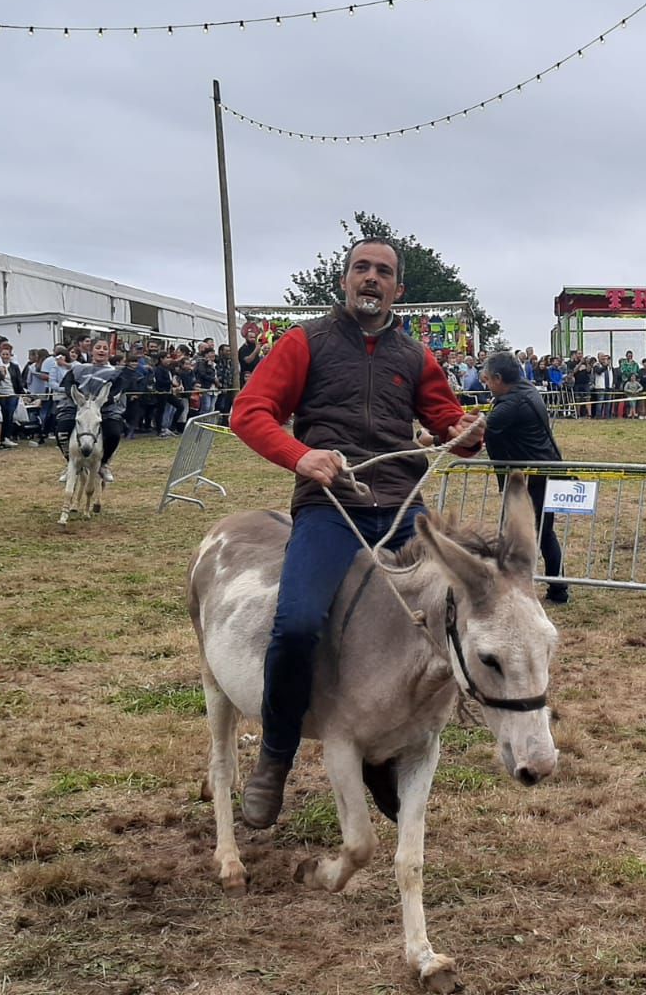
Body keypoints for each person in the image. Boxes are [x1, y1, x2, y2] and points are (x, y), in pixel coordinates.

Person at [229, 238, 483, 830]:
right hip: (328, 508)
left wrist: (465, 433)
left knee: (429, 632)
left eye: (384, 272)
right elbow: (250, 412)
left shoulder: (416, 356)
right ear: (345, 280)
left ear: (399, 288)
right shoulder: (304, 342)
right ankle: (276, 755)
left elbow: (447, 422)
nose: (371, 278)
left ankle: (384, 757)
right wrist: (301, 456)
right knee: (296, 626)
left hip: (402, 510)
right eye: (361, 268)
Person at [479, 351, 570, 604]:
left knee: (535, 532)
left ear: (498, 378)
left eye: (487, 380)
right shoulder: (524, 390)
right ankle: (553, 588)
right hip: (536, 471)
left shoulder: (512, 403)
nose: (486, 385)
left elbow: (479, 430)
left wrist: (437, 438)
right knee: (539, 532)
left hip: (536, 475)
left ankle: (552, 590)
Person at [51, 339, 127, 483]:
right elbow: (69, 385)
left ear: (109, 353)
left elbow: (117, 391)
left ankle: (103, 465)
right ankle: (71, 463)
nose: (101, 350)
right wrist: (78, 399)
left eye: (105, 348)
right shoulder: (78, 369)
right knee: (62, 430)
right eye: (98, 347)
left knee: (114, 433)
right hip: (78, 406)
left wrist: (100, 402)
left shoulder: (117, 372)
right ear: (92, 351)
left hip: (104, 408)